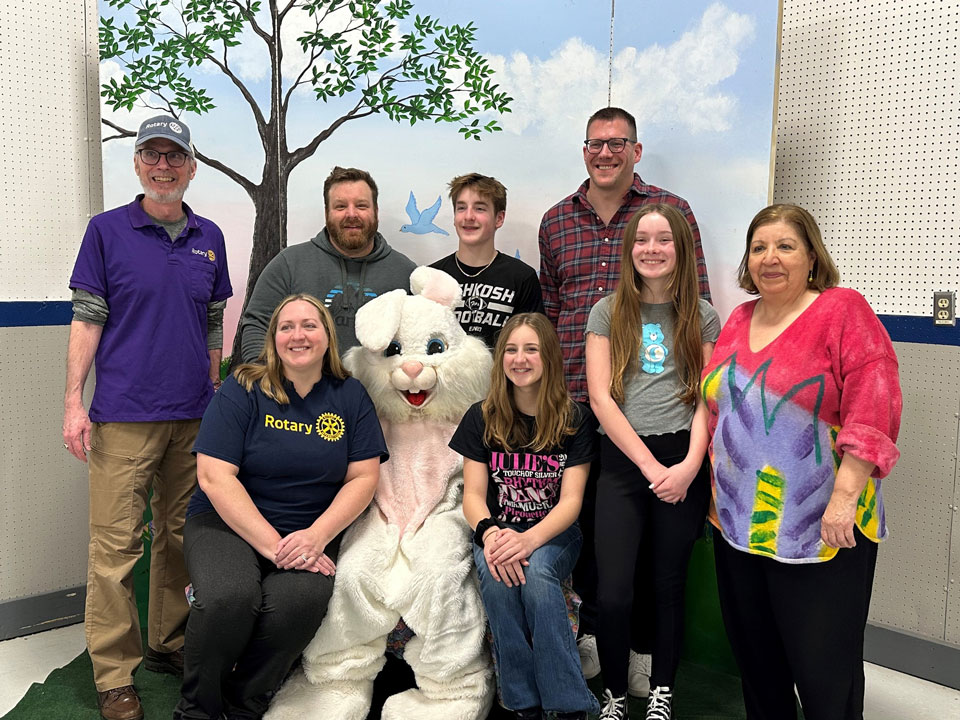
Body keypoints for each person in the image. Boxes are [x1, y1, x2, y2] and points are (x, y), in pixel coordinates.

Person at [701, 204, 901, 720]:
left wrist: (843, 500)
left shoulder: (841, 311)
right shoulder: (740, 319)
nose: (771, 258)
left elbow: (873, 409)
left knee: (823, 675)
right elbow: (720, 410)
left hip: (822, 528)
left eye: (785, 246)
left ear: (811, 256)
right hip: (739, 526)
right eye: (759, 247)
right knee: (759, 670)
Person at [63, 115, 232, 720]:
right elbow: (87, 318)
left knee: (182, 537)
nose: (163, 166)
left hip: (193, 417)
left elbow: (213, 320)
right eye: (152, 156)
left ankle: (169, 642)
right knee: (113, 550)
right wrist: (73, 404)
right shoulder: (107, 232)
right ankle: (113, 673)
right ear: (137, 164)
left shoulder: (209, 235)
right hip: (124, 416)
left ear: (191, 166)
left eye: (174, 157)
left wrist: (215, 384)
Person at [538, 107, 712, 687]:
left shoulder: (670, 211)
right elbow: (553, 309)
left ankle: (642, 653)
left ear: (637, 150)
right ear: (583, 149)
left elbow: (696, 302)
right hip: (580, 403)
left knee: (658, 555)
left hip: (661, 413)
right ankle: (594, 642)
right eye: (595, 143)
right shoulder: (556, 221)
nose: (605, 153)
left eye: (618, 143)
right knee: (591, 531)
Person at [174, 294, 387, 720]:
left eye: (310, 325)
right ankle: (197, 709)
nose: (298, 335)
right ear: (273, 339)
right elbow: (215, 477)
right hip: (226, 523)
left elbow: (363, 477)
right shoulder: (244, 387)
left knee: (299, 604)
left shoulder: (350, 396)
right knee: (230, 597)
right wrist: (275, 547)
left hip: (308, 533)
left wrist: (317, 537)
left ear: (328, 336)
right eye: (286, 326)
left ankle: (244, 702)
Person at [586, 205, 720, 720]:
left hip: (683, 460)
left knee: (667, 585)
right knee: (615, 591)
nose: (652, 248)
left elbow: (709, 397)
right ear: (629, 249)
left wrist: (689, 466)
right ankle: (615, 693)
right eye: (642, 239)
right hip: (624, 461)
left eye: (664, 239)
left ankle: (662, 687)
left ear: (680, 249)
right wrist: (648, 468)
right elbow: (600, 397)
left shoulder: (702, 314)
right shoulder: (608, 310)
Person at [451, 313, 601, 720]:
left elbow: (571, 502)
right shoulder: (480, 417)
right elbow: (474, 496)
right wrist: (491, 534)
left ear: (549, 357)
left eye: (531, 349)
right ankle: (522, 702)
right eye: (511, 350)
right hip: (496, 531)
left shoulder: (574, 418)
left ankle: (568, 705)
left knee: (536, 574)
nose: (520, 359)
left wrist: (528, 540)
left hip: (554, 533)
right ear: (500, 358)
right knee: (497, 574)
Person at [240, 166, 416, 360]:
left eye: (361, 205)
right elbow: (258, 325)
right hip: (303, 388)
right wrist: (265, 382)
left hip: (379, 391)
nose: (351, 214)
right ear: (327, 213)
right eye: (340, 206)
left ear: (376, 211)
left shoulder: (405, 273)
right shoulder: (289, 264)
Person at [430, 173, 544, 347]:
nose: (468, 217)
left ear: (499, 218)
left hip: (500, 374)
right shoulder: (432, 277)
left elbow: (533, 347)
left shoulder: (522, 278)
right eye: (461, 208)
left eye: (479, 208)